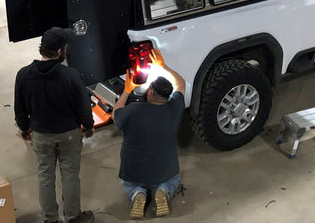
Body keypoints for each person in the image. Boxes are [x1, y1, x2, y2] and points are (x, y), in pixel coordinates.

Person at [14, 27, 95, 223]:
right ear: (59, 51)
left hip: (41, 135)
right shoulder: (71, 75)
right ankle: (73, 216)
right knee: (70, 174)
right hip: (68, 134)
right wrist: (88, 125)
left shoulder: (23, 75)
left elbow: (20, 108)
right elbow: (83, 105)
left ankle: (50, 219)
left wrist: (24, 128)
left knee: (45, 176)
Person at [112, 49, 186, 219]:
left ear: (151, 92)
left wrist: (127, 90)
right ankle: (164, 190)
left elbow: (115, 114)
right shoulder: (175, 108)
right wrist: (163, 66)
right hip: (164, 170)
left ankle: (137, 193)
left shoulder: (132, 110)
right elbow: (180, 83)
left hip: (134, 172)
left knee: (128, 184)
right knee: (174, 180)